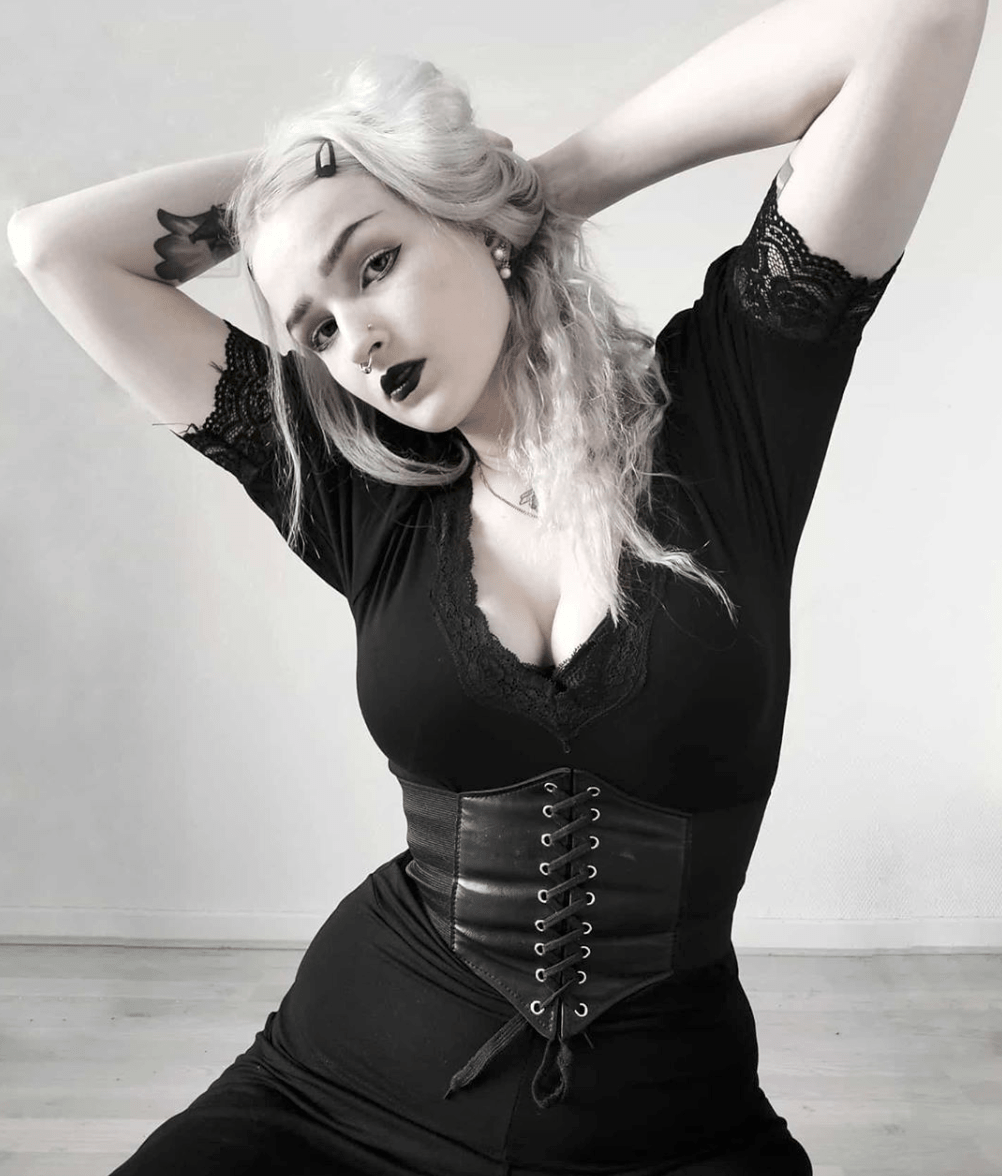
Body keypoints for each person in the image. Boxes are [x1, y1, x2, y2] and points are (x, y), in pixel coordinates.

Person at [8, 3, 986, 1171]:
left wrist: (530, 184)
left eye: (376, 262)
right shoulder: (355, 495)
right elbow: (55, 248)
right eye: (315, 328)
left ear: (479, 227)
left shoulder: (736, 409)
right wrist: (316, 177)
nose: (358, 338)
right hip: (338, 1091)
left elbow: (917, 20)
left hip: (666, 1128)